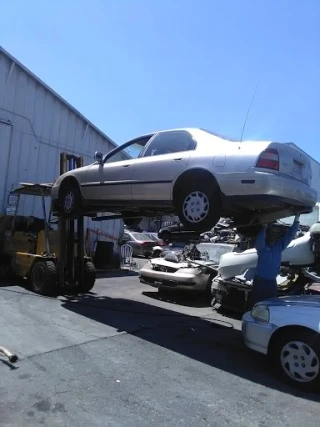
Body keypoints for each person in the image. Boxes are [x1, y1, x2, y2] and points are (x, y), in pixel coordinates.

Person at [251, 214, 300, 305]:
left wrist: (296, 220)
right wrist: (264, 227)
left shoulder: (278, 247)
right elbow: (260, 238)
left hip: (271, 283)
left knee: (271, 305)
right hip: (260, 282)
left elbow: (289, 236)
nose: (274, 237)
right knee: (257, 305)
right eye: (272, 234)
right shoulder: (262, 248)